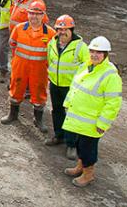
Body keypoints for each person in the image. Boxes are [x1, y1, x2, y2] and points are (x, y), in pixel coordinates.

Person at [62, 36, 123, 187]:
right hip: (79, 118)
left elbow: (113, 103)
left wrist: (103, 123)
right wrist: (68, 103)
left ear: (105, 55)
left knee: (88, 149)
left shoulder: (111, 76)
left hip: (92, 122)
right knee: (79, 144)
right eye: (92, 51)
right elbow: (75, 87)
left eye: (99, 52)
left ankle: (88, 174)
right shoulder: (85, 66)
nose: (94, 55)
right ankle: (80, 167)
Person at [1, 0, 56, 133]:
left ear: (43, 15)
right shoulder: (19, 28)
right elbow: (12, 44)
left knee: (39, 93)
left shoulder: (51, 34)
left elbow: (53, 54)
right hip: (20, 67)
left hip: (39, 70)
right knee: (16, 90)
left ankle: (38, 120)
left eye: (38, 14)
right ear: (28, 14)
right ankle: (13, 114)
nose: (34, 16)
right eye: (32, 13)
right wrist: (19, 61)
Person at [44, 15, 90, 160]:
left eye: (65, 29)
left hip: (72, 88)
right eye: (59, 29)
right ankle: (59, 135)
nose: (62, 32)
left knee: (71, 115)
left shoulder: (81, 47)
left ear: (72, 30)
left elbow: (88, 68)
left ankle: (71, 144)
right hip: (55, 84)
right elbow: (49, 60)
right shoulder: (52, 43)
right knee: (57, 110)